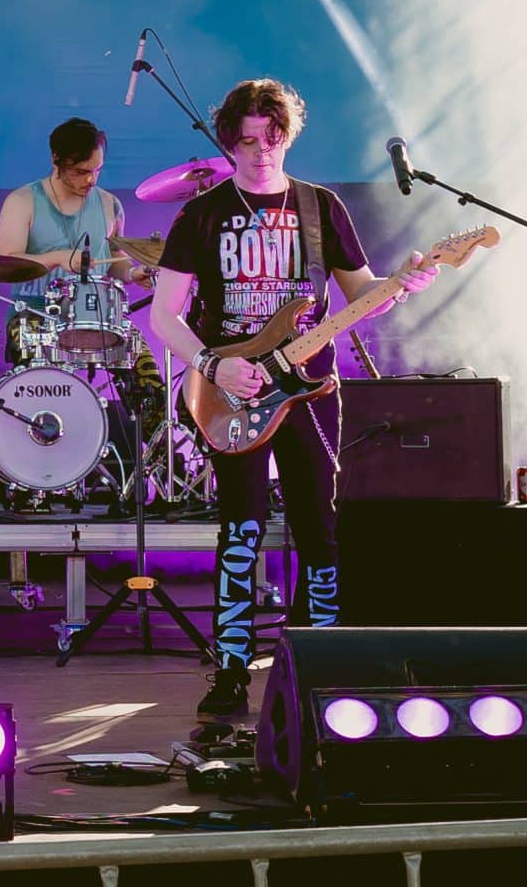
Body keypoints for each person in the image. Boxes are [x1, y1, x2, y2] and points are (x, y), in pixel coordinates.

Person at [148, 79, 436, 717]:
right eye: (248, 141)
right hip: (232, 390)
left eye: (272, 138)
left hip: (310, 388)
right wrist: (214, 365)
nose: (261, 152)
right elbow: (163, 315)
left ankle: (323, 662)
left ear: (288, 137)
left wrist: (402, 284)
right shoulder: (201, 215)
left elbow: (361, 295)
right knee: (241, 528)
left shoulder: (320, 207)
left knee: (318, 527)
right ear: (229, 143)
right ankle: (230, 670)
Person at [0, 116, 136, 362]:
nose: (91, 180)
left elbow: (114, 259)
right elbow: (6, 264)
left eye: (97, 170)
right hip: (34, 313)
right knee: (43, 378)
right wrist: (59, 258)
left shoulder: (109, 204)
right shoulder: (22, 201)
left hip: (96, 317)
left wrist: (132, 273)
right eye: (81, 172)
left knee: (147, 376)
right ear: (56, 160)